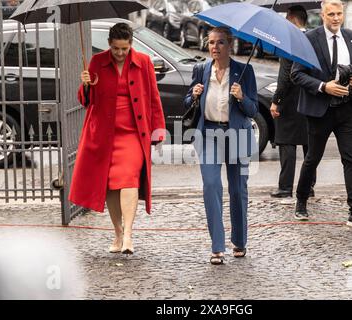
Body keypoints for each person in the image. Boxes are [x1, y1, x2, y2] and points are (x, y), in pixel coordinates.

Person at [69, 23, 166, 254]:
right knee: (111, 184)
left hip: (133, 133)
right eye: (116, 49)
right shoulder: (96, 62)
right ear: (109, 45)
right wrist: (85, 85)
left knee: (129, 178)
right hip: (104, 134)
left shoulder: (143, 62)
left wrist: (158, 128)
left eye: (124, 48)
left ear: (131, 44)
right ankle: (118, 232)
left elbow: (153, 97)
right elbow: (85, 101)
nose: (120, 53)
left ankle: (129, 235)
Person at [291, 0, 352, 227]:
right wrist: (323, 86)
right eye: (331, 14)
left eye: (339, 14)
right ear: (322, 15)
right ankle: (301, 200)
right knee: (313, 158)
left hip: (347, 108)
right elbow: (296, 74)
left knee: (350, 159)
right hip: (320, 110)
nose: (336, 18)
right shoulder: (309, 39)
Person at [184, 26, 258, 265]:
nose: (214, 47)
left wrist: (241, 97)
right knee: (211, 185)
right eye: (211, 43)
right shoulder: (201, 69)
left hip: (236, 134)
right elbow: (187, 102)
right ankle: (217, 247)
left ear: (230, 44)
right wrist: (193, 94)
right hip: (208, 134)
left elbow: (253, 109)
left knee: (237, 190)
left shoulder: (244, 71)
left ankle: (239, 241)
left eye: (220, 43)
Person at [270, 5, 316, 202]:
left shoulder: (289, 42)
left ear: (291, 18)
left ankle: (285, 187)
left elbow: (285, 77)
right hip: (311, 98)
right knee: (309, 145)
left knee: (286, 142)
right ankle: (308, 187)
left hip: (290, 100)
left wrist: (276, 101)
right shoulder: (314, 39)